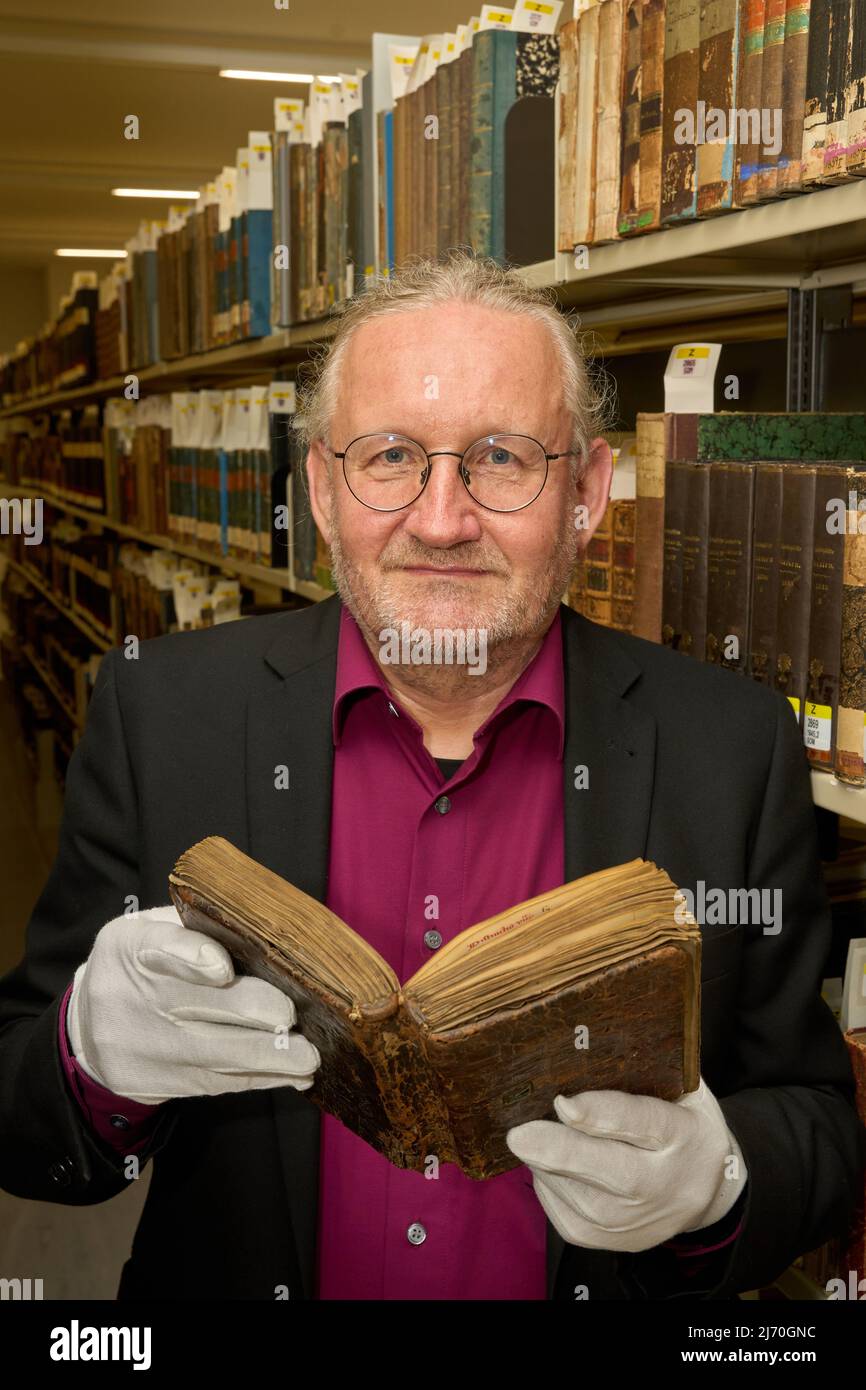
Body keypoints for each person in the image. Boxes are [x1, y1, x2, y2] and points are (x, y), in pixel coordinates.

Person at [1, 253, 863, 1302]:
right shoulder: (161, 715)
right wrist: (90, 1058)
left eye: (500, 458)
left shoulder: (730, 745)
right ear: (319, 489)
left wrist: (718, 1180)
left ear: (587, 493)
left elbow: (814, 1115)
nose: (442, 518)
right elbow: (23, 1126)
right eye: (390, 456)